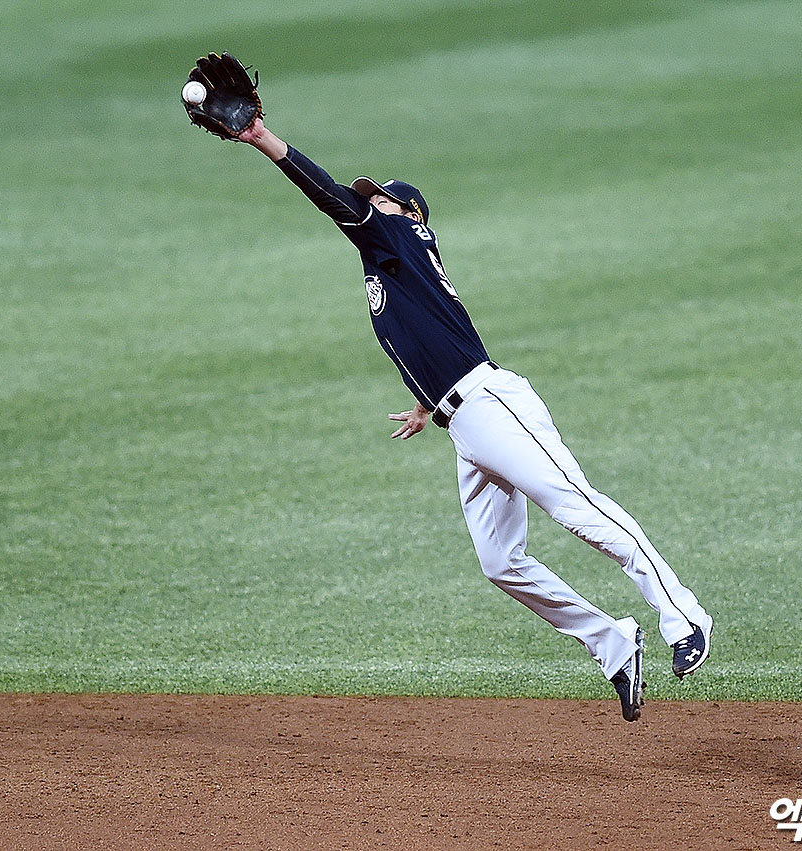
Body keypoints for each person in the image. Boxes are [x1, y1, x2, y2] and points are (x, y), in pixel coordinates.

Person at [235, 116, 712, 722]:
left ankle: (686, 617)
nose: (367, 206)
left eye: (378, 200)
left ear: (411, 216)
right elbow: (429, 334)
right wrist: (425, 402)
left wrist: (263, 139)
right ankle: (611, 643)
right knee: (500, 562)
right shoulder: (392, 265)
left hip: (493, 405)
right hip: (467, 427)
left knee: (578, 509)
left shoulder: (399, 239)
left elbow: (326, 195)